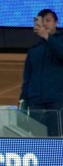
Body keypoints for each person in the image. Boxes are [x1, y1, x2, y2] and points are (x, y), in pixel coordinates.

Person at [21, 9, 63, 137]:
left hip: (58, 99)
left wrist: (47, 37)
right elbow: (27, 77)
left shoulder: (60, 42)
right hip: (36, 101)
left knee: (56, 136)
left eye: (48, 21)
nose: (44, 24)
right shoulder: (33, 50)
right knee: (37, 137)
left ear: (56, 22)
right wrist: (23, 100)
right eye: (41, 21)